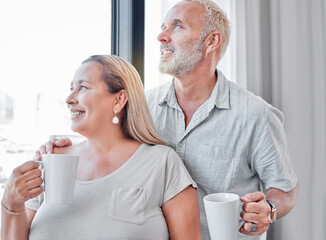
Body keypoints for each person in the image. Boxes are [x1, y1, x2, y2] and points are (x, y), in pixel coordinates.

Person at [35, 0, 299, 239]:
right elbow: (106, 143)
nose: (161, 36)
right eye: (163, 27)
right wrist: (65, 147)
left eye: (177, 26)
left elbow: (285, 190)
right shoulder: (143, 106)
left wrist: (269, 209)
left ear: (211, 41)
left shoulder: (256, 116)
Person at [1, 55, 201, 240]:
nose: (69, 99)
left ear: (119, 99)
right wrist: (11, 204)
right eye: (71, 88)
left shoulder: (162, 163)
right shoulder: (51, 159)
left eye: (83, 88)